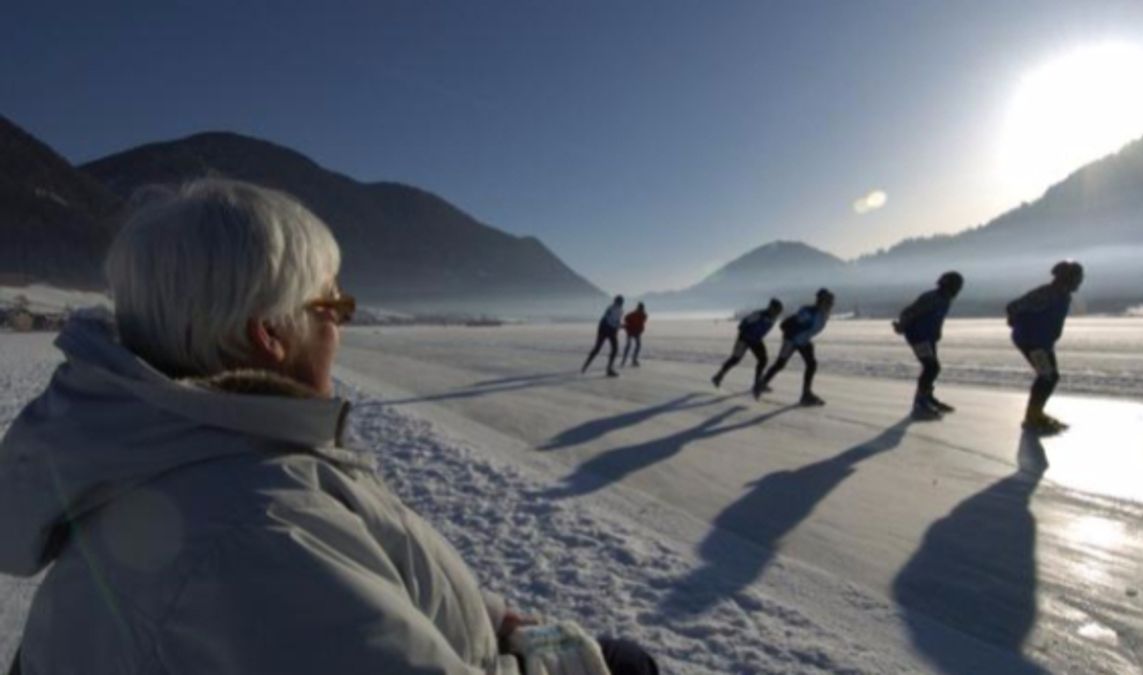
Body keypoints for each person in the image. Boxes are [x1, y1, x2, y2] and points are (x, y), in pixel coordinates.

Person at [0, 180, 656, 675]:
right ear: (271, 332)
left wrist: (493, 619)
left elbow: (376, 578)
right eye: (334, 301)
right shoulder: (250, 536)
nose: (343, 321)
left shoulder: (211, 456)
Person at [1007, 260, 1084, 434]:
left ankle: (1035, 414)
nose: (1080, 283)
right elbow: (1012, 306)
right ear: (1068, 279)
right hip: (1033, 342)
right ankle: (1032, 417)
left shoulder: (1062, 294)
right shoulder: (1047, 294)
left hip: (1042, 342)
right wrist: (1017, 324)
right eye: (1078, 279)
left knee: (1049, 377)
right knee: (1047, 377)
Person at [893, 271, 964, 418]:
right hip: (918, 337)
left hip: (928, 338)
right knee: (931, 367)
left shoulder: (944, 299)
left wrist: (936, 334)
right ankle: (921, 401)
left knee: (932, 367)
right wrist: (902, 326)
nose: (956, 291)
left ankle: (927, 397)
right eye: (956, 287)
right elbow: (909, 312)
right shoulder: (933, 298)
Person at [756, 288, 835, 406]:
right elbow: (788, 324)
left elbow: (808, 328)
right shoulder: (809, 312)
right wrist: (790, 338)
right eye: (829, 301)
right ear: (821, 301)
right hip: (791, 341)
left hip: (802, 341)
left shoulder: (823, 315)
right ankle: (761, 385)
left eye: (831, 301)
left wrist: (805, 339)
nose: (831, 304)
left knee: (811, 364)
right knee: (780, 364)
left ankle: (806, 395)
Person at [711, 298, 784, 391]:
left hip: (756, 340)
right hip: (744, 339)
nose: (778, 313)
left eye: (779, 311)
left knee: (763, 360)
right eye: (777, 310)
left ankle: (757, 383)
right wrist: (746, 336)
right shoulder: (758, 314)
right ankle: (718, 376)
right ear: (771, 308)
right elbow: (742, 325)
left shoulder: (773, 319)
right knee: (735, 359)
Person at [582, 295, 624, 377]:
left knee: (604, 349)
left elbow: (616, 321)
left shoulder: (619, 310)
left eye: (621, 302)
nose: (620, 303)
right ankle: (606, 369)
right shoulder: (612, 308)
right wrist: (619, 326)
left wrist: (620, 325)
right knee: (607, 349)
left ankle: (586, 366)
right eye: (619, 301)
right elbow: (609, 320)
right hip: (606, 329)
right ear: (617, 301)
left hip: (606, 329)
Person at [621, 302, 648, 368]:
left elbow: (641, 323)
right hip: (630, 331)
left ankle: (632, 360)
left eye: (642, 308)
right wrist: (628, 325)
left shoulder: (643, 315)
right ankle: (625, 360)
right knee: (629, 345)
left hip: (636, 332)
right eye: (641, 308)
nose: (641, 309)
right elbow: (626, 318)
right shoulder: (634, 314)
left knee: (637, 345)